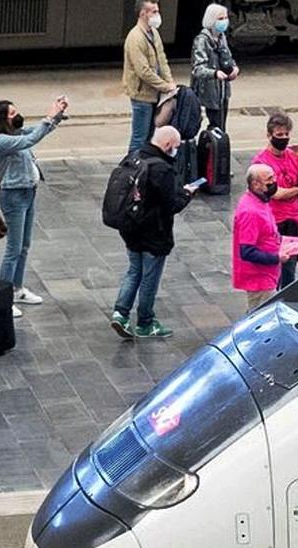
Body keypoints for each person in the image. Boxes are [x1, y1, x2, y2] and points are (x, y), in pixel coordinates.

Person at [110, 126, 196, 339]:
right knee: (149, 277)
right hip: (154, 233)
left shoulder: (134, 157)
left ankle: (120, 313)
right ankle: (145, 322)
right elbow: (171, 205)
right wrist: (186, 194)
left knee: (133, 271)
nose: (176, 151)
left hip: (131, 228)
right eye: (175, 147)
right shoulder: (162, 170)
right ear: (168, 145)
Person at [0, 97, 68, 318]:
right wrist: (49, 116)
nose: (17, 115)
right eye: (12, 113)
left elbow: (37, 131)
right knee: (13, 249)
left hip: (29, 191)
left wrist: (57, 115)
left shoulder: (15, 134)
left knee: (24, 245)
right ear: (2, 119)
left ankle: (17, 288)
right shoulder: (1, 141)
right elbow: (32, 138)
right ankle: (3, 298)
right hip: (14, 196)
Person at [251, 112, 298, 289]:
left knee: (289, 270)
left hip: (293, 222)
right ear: (269, 135)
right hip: (274, 223)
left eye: (286, 134)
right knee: (273, 270)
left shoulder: (292, 155)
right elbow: (276, 193)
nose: (283, 138)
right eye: (279, 135)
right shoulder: (262, 162)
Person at [232, 164, 292, 311]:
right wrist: (277, 258)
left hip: (267, 275)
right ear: (255, 184)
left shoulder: (261, 200)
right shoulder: (250, 212)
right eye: (269, 179)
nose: (274, 181)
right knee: (261, 318)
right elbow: (247, 251)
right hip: (259, 279)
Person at [124, 0, 177, 152]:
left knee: (149, 137)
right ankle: (131, 169)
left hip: (155, 94)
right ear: (143, 14)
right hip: (142, 96)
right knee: (139, 138)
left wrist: (169, 80)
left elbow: (161, 59)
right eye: (154, 12)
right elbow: (143, 71)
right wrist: (165, 86)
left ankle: (143, 167)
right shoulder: (135, 37)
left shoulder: (154, 33)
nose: (157, 15)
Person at [191, 3, 239, 131]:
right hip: (210, 91)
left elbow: (228, 58)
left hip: (223, 90)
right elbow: (197, 69)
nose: (224, 21)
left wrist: (234, 68)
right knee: (215, 124)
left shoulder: (222, 37)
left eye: (225, 18)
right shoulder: (202, 40)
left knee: (222, 125)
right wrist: (214, 73)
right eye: (220, 18)